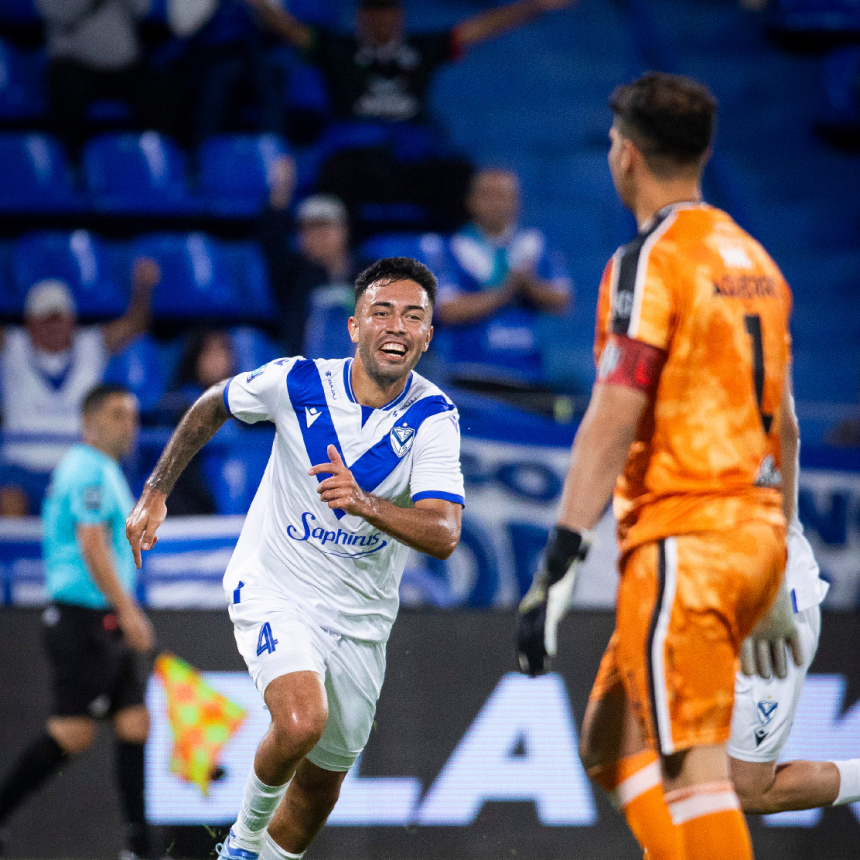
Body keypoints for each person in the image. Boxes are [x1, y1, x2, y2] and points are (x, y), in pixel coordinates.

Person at [516, 72, 794, 860]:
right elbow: (786, 425)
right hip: (752, 533)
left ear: (627, 155)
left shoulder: (651, 258)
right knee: (609, 744)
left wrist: (561, 557)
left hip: (688, 539)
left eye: (613, 140)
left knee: (693, 772)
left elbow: (615, 412)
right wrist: (779, 556)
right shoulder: (756, 261)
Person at [125, 257, 464, 860]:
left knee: (318, 789)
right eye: (382, 312)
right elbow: (214, 402)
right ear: (354, 326)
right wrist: (155, 490)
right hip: (274, 587)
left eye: (413, 316)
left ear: (428, 335)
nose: (397, 326)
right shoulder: (298, 381)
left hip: (360, 621)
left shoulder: (434, 418)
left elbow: (443, 533)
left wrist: (365, 504)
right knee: (302, 721)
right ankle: (240, 844)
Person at [246, 0, 578, 233]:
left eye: (388, 12)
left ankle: (462, 265)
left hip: (410, 161)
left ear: (400, 16)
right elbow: (289, 29)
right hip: (356, 162)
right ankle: (349, 269)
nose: (381, 21)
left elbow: (477, 30)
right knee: (332, 179)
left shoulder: (421, 49)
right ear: (361, 17)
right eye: (373, 13)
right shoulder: (337, 48)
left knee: (459, 177)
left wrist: (534, 5)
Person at [0, 384, 156, 860]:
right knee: (73, 732)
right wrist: (127, 609)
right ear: (89, 421)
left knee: (134, 722)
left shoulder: (102, 469)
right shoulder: (87, 468)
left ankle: (139, 849)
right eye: (117, 414)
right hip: (84, 620)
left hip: (100, 618)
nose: (129, 424)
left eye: (132, 415)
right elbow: (92, 543)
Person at [727, 394, 860, 816]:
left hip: (766, 607)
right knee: (664, 766)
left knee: (748, 789)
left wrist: (767, 579)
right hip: (693, 602)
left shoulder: (742, 356)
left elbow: (783, 428)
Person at [0, 259, 161, 517]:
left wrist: (143, 290)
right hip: (21, 466)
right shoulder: (12, 347)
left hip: (77, 464)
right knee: (9, 504)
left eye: (59, 318)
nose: (53, 326)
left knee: (92, 513)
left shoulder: (91, 345)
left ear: (72, 319)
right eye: (45, 319)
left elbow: (135, 325)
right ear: (30, 323)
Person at [436, 167, 572, 388]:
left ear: (518, 201)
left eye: (504, 195)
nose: (496, 203)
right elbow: (446, 310)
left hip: (527, 372)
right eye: (488, 195)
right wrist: (504, 293)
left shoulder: (534, 244)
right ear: (471, 201)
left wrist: (530, 285)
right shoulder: (452, 247)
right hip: (471, 373)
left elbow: (563, 300)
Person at [257, 156, 361, 357]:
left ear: (344, 230)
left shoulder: (369, 274)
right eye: (309, 229)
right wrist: (280, 193)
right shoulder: (292, 276)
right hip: (309, 369)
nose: (318, 236)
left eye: (325, 226)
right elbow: (271, 242)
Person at [36, 0, 153, 157]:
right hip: (73, 65)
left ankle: (150, 156)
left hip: (124, 65)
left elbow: (142, 10)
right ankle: (70, 161)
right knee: (64, 88)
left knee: (163, 90)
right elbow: (57, 13)